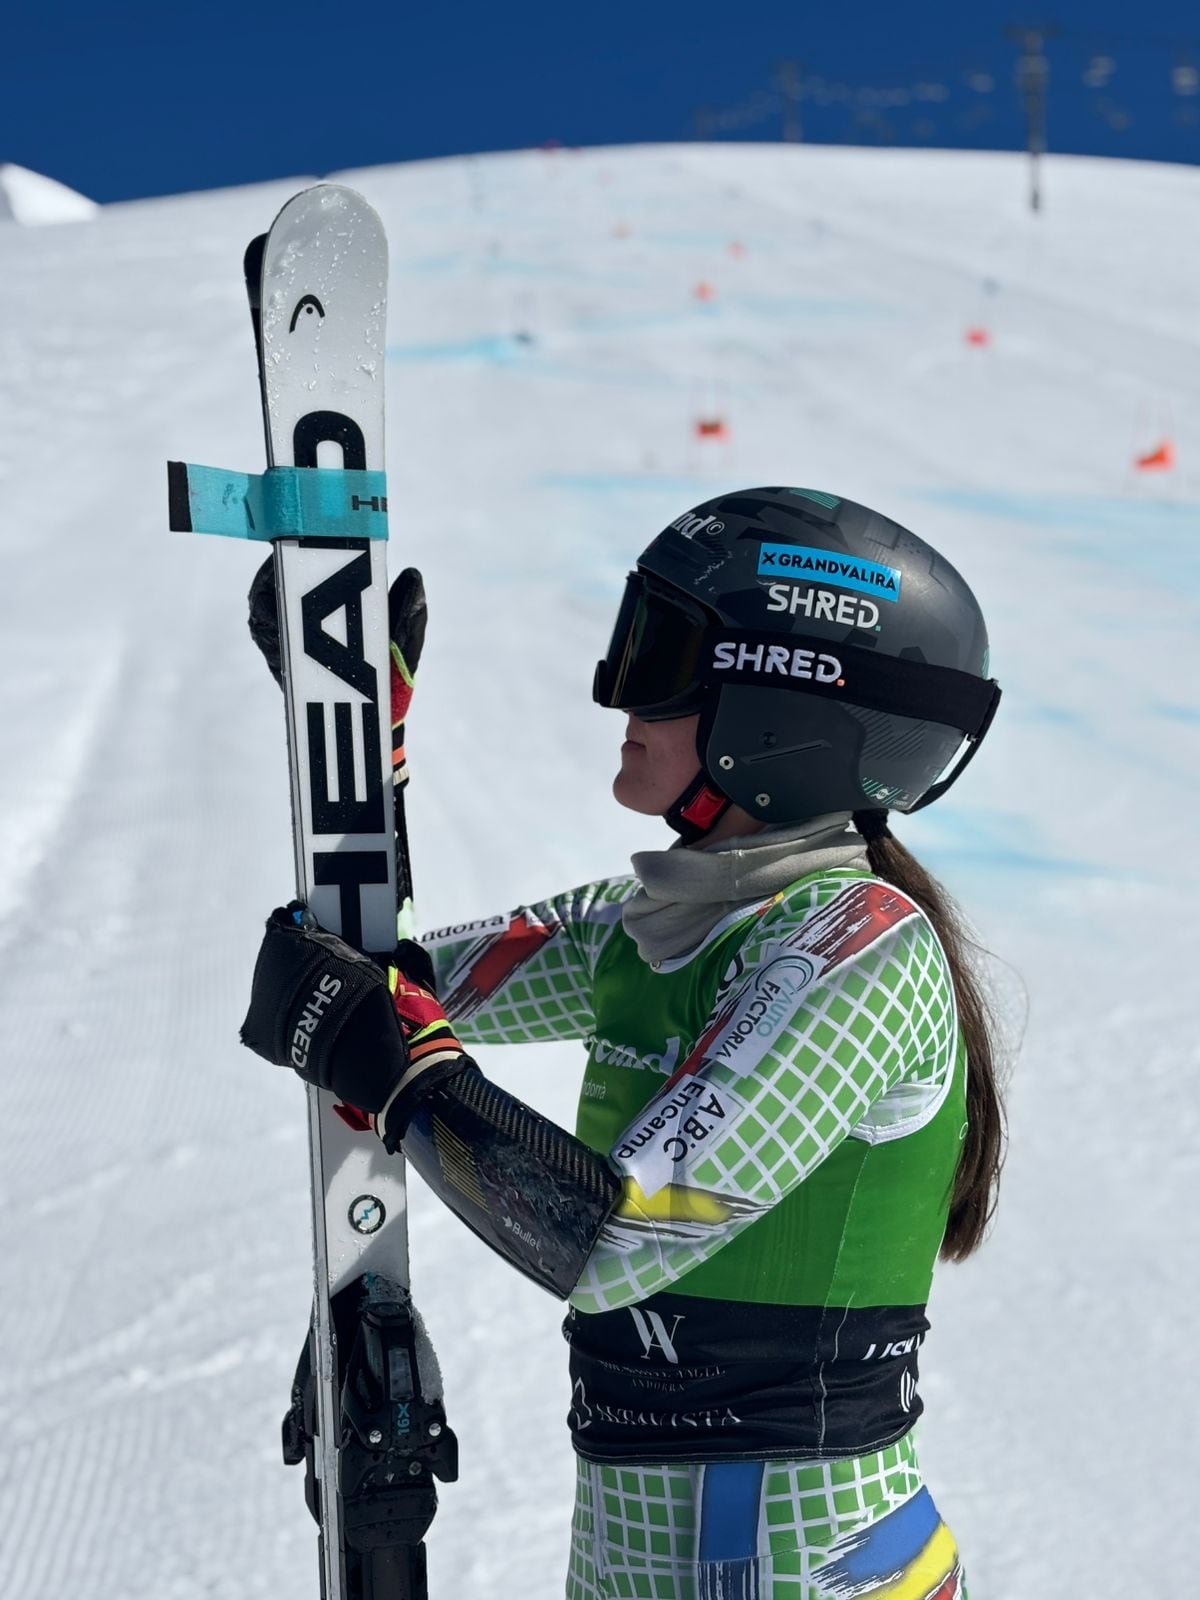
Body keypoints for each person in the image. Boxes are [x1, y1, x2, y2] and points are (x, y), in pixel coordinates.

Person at [242, 486, 1004, 1599]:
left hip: (816, 1569)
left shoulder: (861, 949)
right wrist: (364, 768)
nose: (619, 697)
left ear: (783, 709)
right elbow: (407, 992)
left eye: (662, 659)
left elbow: (611, 1246)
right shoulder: (664, 919)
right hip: (635, 1556)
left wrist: (395, 1059)